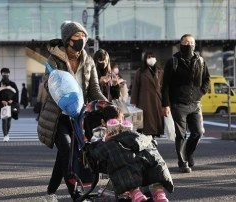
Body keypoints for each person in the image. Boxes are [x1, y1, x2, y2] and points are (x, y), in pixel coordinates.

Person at [37, 21, 106, 201]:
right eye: (77, 37)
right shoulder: (54, 60)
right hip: (58, 115)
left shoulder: (88, 60)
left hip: (79, 116)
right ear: (68, 40)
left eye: (83, 36)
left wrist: (107, 105)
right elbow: (48, 84)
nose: (81, 40)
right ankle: (77, 195)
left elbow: (94, 89)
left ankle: (50, 193)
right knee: (68, 149)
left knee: (64, 155)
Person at [88, 105, 173, 202]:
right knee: (123, 161)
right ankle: (135, 192)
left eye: (120, 122)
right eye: (113, 123)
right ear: (103, 122)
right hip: (118, 159)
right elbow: (94, 148)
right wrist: (105, 140)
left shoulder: (126, 129)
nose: (117, 126)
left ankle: (159, 192)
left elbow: (138, 141)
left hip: (134, 156)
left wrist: (132, 135)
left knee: (152, 156)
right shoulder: (99, 132)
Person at [161, 34, 210, 173]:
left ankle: (188, 153)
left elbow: (207, 79)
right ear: (181, 44)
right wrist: (166, 104)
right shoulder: (173, 61)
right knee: (181, 135)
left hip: (195, 103)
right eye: (186, 42)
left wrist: (201, 92)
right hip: (178, 104)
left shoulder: (200, 61)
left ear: (194, 45)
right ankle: (183, 162)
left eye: (191, 42)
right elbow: (165, 85)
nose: (189, 45)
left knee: (198, 132)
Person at [130, 52, 164, 137]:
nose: (151, 58)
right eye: (149, 57)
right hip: (145, 101)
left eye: (153, 56)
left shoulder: (160, 72)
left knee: (155, 124)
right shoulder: (140, 72)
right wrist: (133, 102)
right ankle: (147, 140)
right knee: (146, 125)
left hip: (157, 101)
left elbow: (164, 87)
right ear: (145, 59)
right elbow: (135, 87)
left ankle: (153, 139)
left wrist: (166, 103)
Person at [0, 68, 19, 142]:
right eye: (4, 73)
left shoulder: (12, 84)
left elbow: (16, 94)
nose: (5, 74)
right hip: (2, 105)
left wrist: (13, 100)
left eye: (7, 73)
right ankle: (5, 135)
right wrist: (1, 101)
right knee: (4, 120)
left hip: (11, 105)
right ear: (1, 74)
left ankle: (7, 133)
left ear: (9, 74)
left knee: (9, 120)